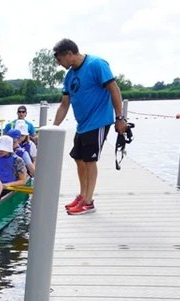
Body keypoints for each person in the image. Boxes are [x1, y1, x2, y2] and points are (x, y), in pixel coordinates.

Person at [52, 38, 126, 215]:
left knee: (90, 160)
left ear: (69, 54)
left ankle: (88, 202)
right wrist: (53, 128)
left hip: (99, 121)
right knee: (78, 158)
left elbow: (114, 89)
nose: (58, 63)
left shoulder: (96, 64)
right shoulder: (69, 76)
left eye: (59, 59)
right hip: (82, 125)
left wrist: (120, 117)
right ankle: (83, 195)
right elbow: (64, 104)